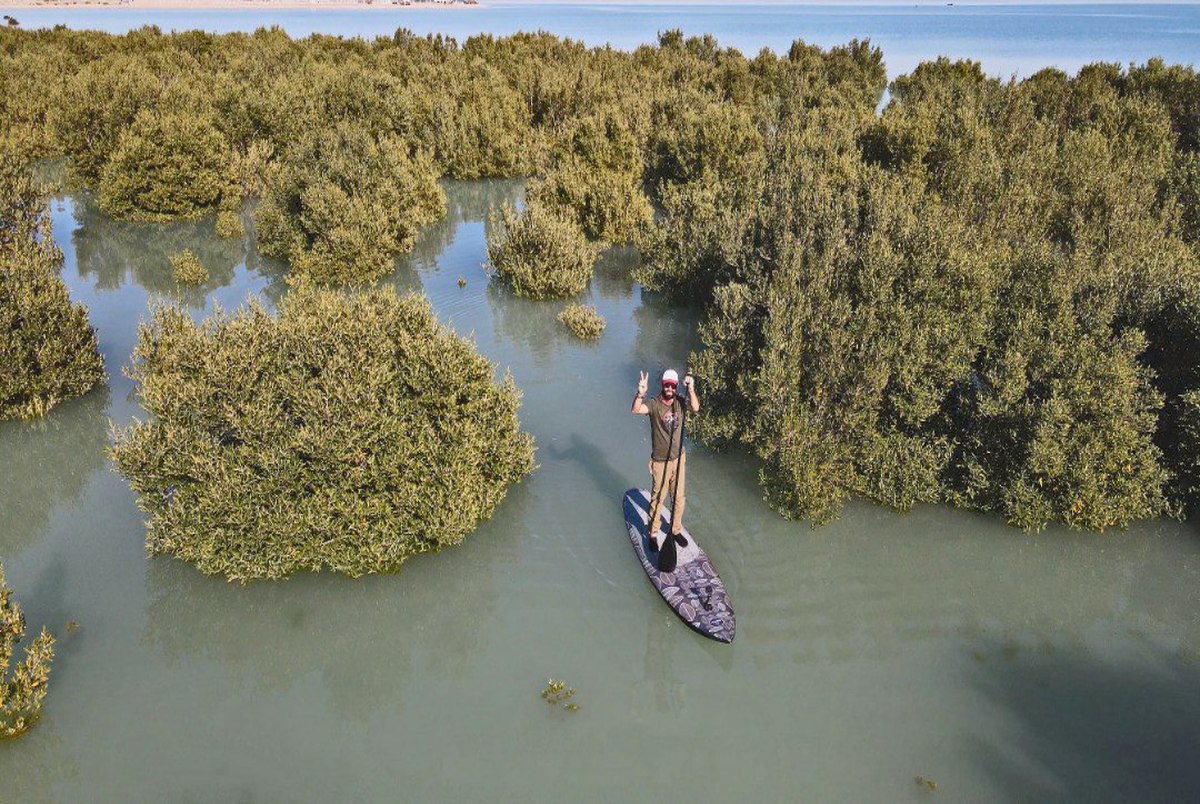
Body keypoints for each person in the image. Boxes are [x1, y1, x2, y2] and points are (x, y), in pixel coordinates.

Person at [631, 368, 700, 552]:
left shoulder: (680, 402)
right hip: (660, 461)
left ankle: (675, 530)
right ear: (662, 385)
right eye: (666, 384)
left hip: (678, 459)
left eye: (672, 385)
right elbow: (636, 410)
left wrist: (691, 389)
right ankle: (653, 533)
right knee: (658, 498)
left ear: (676, 386)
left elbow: (696, 407)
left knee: (678, 498)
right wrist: (640, 393)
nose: (669, 388)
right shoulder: (654, 404)